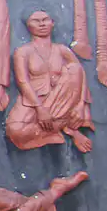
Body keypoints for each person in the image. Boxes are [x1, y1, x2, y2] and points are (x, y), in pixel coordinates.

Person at [5, 11, 94, 151]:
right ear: (28, 25)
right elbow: (23, 82)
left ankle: (66, 125)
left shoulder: (62, 50)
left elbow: (80, 76)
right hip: (34, 99)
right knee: (15, 130)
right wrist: (40, 109)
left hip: (62, 99)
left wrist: (81, 105)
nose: (41, 24)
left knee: (75, 69)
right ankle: (67, 128)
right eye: (36, 20)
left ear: (52, 23)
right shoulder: (23, 52)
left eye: (45, 19)